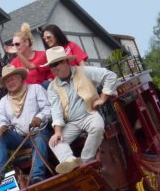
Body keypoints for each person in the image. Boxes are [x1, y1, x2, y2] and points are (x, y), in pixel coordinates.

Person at [45, 46, 118, 174]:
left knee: (97, 127)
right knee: (54, 142)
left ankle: (84, 162)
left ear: (65, 62)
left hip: (89, 114)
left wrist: (102, 98)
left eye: (56, 64)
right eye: (51, 66)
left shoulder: (84, 71)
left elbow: (111, 76)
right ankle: (70, 161)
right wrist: (57, 132)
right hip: (71, 122)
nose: (54, 68)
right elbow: (56, 110)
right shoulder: (52, 87)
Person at [0, 64, 51, 185]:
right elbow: (2, 120)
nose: (10, 82)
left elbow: (48, 108)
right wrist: (2, 127)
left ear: (20, 78)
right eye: (7, 81)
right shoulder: (3, 101)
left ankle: (37, 176)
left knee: (39, 140)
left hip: (39, 132)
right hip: (19, 139)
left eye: (13, 79)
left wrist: (39, 117)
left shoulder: (36, 89)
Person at [0, 23, 50, 87]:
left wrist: (17, 52)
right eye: (13, 45)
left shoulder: (42, 55)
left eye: (17, 44)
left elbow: (32, 67)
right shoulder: (15, 62)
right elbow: (1, 83)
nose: (14, 47)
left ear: (26, 42)